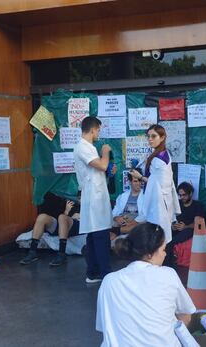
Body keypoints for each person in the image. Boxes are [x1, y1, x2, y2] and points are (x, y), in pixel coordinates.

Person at [96, 223, 196, 346]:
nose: (165, 254)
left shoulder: (109, 281)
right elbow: (186, 315)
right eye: (163, 249)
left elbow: (105, 326)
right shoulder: (168, 275)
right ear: (149, 254)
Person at [74, 116, 115, 284]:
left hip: (97, 196)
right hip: (93, 198)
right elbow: (101, 165)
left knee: (94, 236)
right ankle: (105, 274)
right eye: (98, 130)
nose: (99, 134)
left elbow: (101, 169)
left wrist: (109, 170)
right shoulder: (83, 147)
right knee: (100, 236)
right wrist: (105, 152)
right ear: (92, 129)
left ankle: (93, 272)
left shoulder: (88, 147)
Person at [130, 124, 181, 244]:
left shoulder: (159, 159)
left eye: (154, 136)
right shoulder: (162, 153)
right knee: (158, 235)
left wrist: (140, 177)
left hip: (160, 202)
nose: (150, 139)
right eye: (148, 136)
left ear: (162, 137)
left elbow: (161, 184)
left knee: (160, 236)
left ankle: (161, 260)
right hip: (159, 200)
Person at [165, 182, 205, 266]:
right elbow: (169, 217)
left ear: (190, 194)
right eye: (180, 195)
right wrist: (172, 226)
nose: (182, 197)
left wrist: (185, 226)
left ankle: (169, 265)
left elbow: (199, 224)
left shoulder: (198, 205)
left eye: (184, 195)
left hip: (189, 229)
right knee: (164, 238)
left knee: (170, 242)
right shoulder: (177, 204)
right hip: (176, 228)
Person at [49, 198, 82, 267]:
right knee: (62, 217)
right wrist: (67, 211)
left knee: (62, 217)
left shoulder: (90, 198)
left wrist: (82, 215)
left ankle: (61, 252)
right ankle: (61, 254)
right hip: (69, 223)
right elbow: (61, 218)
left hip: (81, 224)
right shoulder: (69, 200)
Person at [111, 172, 145, 237]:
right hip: (123, 222)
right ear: (129, 182)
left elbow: (145, 215)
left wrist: (131, 222)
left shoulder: (145, 196)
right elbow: (114, 212)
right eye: (135, 181)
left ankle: (117, 231)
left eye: (140, 181)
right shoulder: (122, 196)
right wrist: (117, 218)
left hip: (135, 223)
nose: (139, 184)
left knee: (138, 226)